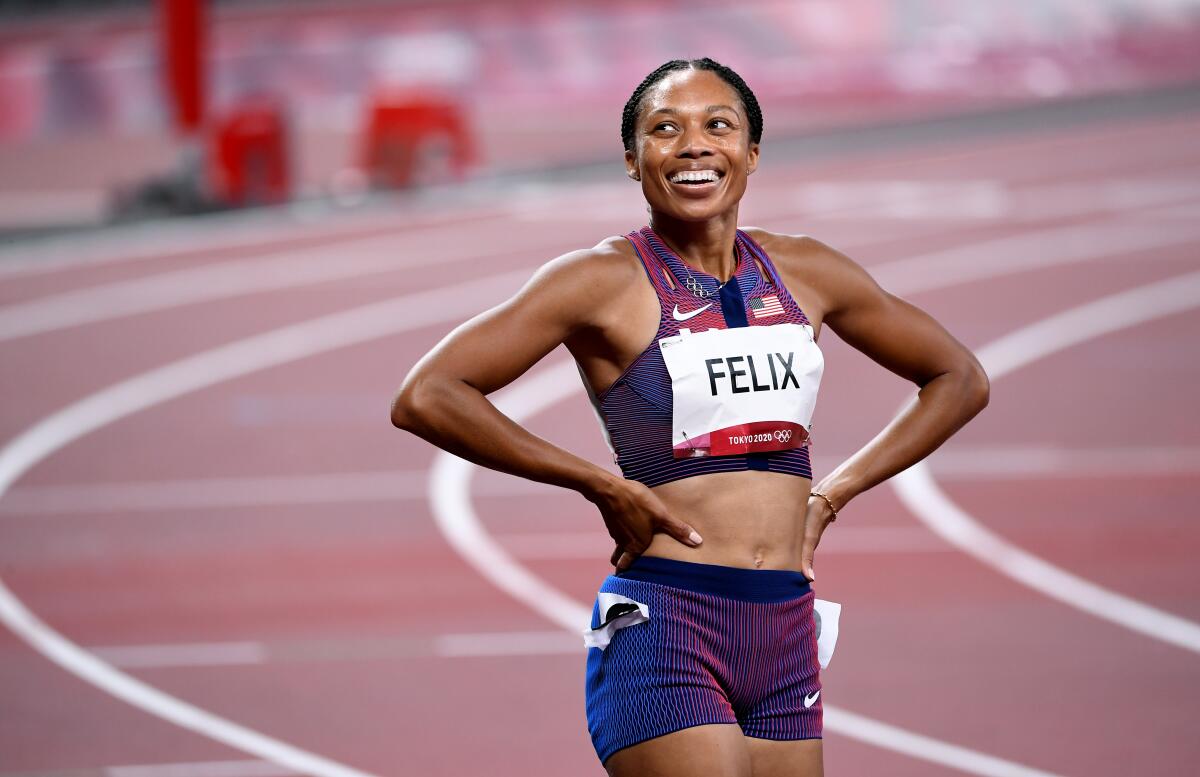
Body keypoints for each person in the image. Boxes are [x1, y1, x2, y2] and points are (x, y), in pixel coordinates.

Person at [391, 58, 989, 777]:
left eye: (718, 126)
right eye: (665, 129)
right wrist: (597, 483)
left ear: (752, 152)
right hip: (670, 621)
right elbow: (428, 393)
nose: (694, 145)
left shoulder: (808, 271)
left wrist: (834, 492)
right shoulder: (599, 280)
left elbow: (959, 377)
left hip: (785, 625)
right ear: (632, 158)